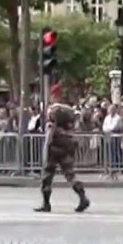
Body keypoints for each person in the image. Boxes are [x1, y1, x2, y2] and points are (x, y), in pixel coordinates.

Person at [36, 85, 91, 214]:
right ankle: (82, 196)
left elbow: (51, 128)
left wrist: (46, 145)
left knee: (47, 175)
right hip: (67, 145)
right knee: (70, 174)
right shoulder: (70, 110)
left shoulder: (53, 110)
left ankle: (46, 203)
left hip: (55, 146)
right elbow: (76, 126)